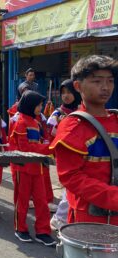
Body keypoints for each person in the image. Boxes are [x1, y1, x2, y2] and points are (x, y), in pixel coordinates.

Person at [50, 55, 118, 225]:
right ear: (78, 86)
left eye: (110, 81)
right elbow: (71, 177)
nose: (105, 87)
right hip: (89, 219)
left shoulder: (116, 119)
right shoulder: (73, 126)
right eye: (97, 81)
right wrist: (113, 197)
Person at [9, 90, 56, 246]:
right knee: (21, 200)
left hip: (37, 168)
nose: (41, 107)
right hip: (23, 168)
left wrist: (49, 145)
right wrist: (48, 148)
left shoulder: (35, 122)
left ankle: (43, 231)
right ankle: (20, 228)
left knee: (41, 201)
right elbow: (25, 148)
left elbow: (40, 142)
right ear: (30, 105)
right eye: (39, 105)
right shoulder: (21, 122)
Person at [46, 79, 81, 230]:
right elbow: (50, 131)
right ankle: (60, 218)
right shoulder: (58, 112)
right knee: (70, 187)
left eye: (69, 92)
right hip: (64, 154)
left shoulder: (81, 110)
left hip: (80, 154)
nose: (66, 96)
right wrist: (61, 125)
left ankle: (65, 217)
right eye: (63, 93)